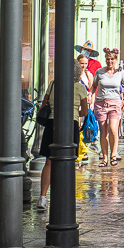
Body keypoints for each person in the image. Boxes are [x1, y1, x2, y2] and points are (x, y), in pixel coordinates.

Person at [38, 56, 90, 212]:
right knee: (68, 162)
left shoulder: (53, 85)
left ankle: (42, 197)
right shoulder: (80, 88)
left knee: (49, 162)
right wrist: (73, 111)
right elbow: (85, 111)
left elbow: (44, 104)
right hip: (71, 124)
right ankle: (65, 197)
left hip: (52, 124)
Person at [89, 47, 124, 167]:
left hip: (115, 103)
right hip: (101, 103)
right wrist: (90, 95)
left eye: (112, 59)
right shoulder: (100, 72)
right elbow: (94, 86)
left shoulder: (120, 72)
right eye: (108, 59)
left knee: (113, 129)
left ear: (116, 60)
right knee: (103, 130)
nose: (109, 62)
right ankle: (105, 157)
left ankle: (113, 154)